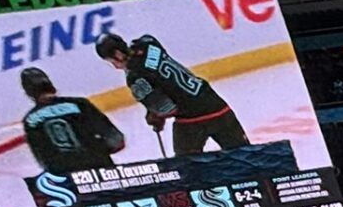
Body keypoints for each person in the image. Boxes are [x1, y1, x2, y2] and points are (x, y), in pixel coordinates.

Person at [96, 31, 248, 154]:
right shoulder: (148, 43)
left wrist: (155, 115)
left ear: (117, 54)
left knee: (187, 168)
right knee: (246, 155)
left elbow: (167, 108)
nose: (115, 66)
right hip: (216, 105)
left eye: (112, 61)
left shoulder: (136, 79)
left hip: (191, 120)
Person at [19, 67, 124, 177]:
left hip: (68, 177)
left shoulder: (30, 121)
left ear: (28, 93)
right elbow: (114, 138)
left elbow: (43, 159)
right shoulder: (80, 104)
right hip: (100, 167)